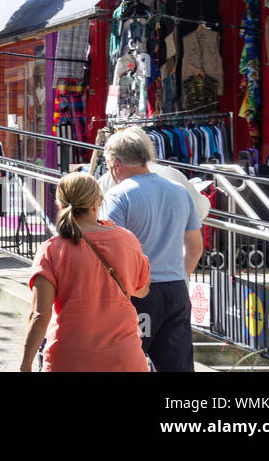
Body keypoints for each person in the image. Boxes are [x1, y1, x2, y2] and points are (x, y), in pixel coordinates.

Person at [21, 172, 151, 372]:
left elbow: (40, 315)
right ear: (97, 201)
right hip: (124, 358)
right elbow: (141, 290)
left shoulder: (51, 249)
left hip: (68, 358)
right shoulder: (127, 240)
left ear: (59, 204)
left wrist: (25, 365)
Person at [103, 126, 204, 372]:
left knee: (125, 363)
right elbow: (195, 248)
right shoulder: (179, 191)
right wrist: (180, 275)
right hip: (176, 288)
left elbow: (108, 253)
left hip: (137, 293)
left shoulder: (118, 197)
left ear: (116, 163)